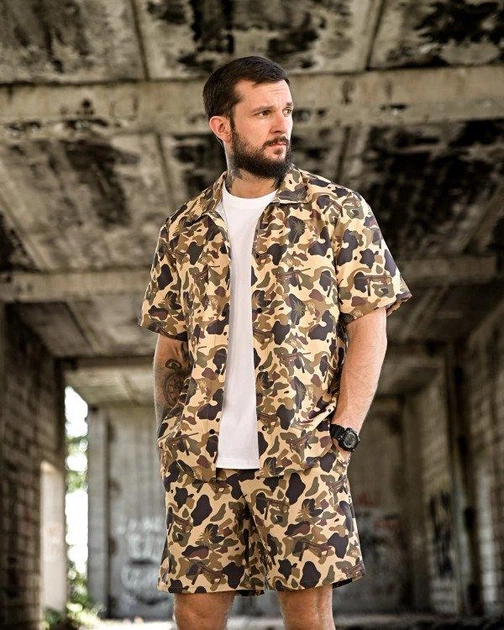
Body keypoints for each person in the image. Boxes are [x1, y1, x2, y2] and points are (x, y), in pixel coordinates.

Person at [139, 56, 412, 630]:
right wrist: (169, 438)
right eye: (263, 113)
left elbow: (369, 325)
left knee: (308, 614)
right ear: (222, 126)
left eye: (286, 110)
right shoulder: (183, 229)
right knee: (193, 612)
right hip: (201, 458)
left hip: (303, 452)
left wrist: (344, 432)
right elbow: (171, 347)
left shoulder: (337, 210)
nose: (281, 124)